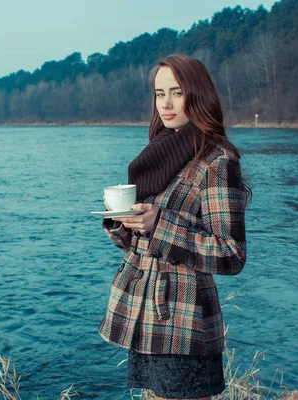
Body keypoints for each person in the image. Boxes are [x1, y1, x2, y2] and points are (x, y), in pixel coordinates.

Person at [98, 54, 251, 400]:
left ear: (197, 95)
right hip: (148, 317)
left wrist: (159, 224)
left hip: (184, 322)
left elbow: (232, 253)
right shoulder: (158, 152)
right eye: (159, 93)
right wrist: (122, 222)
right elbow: (143, 245)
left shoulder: (217, 161)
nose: (165, 104)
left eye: (177, 93)